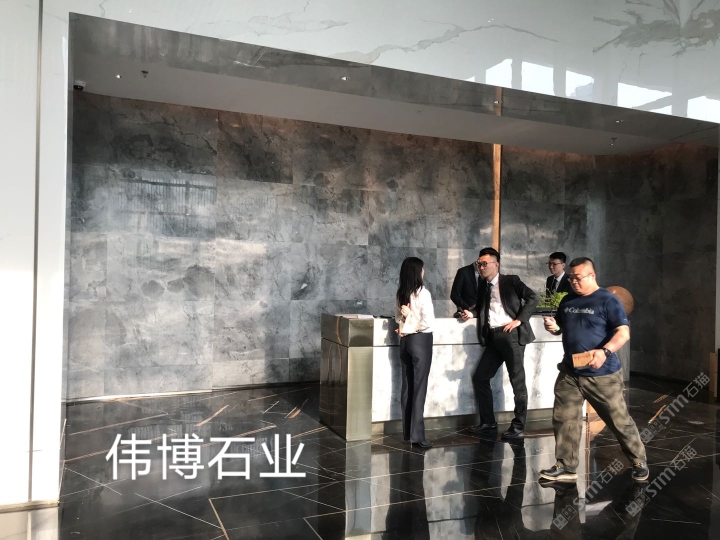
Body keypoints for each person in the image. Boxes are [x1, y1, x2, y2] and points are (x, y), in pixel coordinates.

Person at [540, 257, 648, 483]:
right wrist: (553, 326)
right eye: (571, 278)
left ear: (592, 276)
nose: (573, 282)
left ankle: (638, 460)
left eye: (578, 278)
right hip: (570, 372)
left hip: (602, 374)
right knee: (565, 419)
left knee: (618, 420)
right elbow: (561, 327)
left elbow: (623, 333)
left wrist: (605, 351)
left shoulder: (608, 300)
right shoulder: (568, 300)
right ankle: (566, 466)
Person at [465, 247, 539, 439]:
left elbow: (533, 297)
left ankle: (518, 426)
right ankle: (488, 422)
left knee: (517, 382)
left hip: (511, 336)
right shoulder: (483, 286)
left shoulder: (511, 280)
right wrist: (471, 313)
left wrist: (519, 320)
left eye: (484, 264)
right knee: (480, 377)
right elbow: (484, 308)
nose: (481, 267)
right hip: (493, 337)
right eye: (478, 264)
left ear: (496, 265)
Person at [395, 257, 435, 449]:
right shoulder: (422, 293)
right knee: (419, 388)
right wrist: (411, 318)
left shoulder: (401, 293)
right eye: (422, 269)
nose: (423, 272)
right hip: (421, 341)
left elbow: (398, 317)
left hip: (405, 341)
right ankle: (418, 437)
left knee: (408, 388)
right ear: (417, 272)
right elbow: (428, 323)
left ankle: (408, 433)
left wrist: (406, 323)